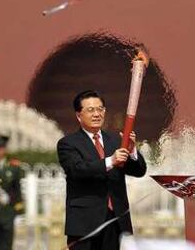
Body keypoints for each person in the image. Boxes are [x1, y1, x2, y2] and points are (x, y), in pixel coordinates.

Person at [57, 90, 147, 250]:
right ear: (79, 115)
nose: (97, 114)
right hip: (85, 223)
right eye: (91, 110)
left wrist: (132, 151)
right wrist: (111, 161)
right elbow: (77, 169)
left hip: (116, 219)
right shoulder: (68, 143)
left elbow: (139, 171)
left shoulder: (116, 139)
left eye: (100, 109)